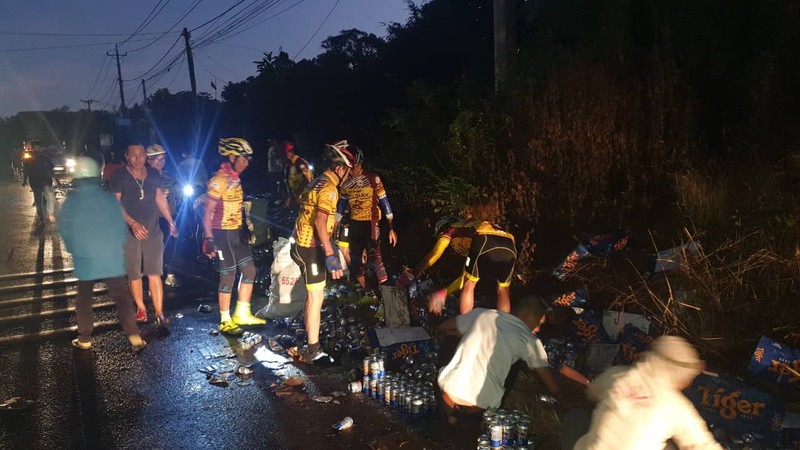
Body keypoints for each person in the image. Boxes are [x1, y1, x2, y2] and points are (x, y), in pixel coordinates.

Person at [57, 157, 147, 352]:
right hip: (110, 256)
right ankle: (134, 336)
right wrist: (117, 246)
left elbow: (64, 228)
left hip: (85, 257)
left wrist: (74, 248)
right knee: (122, 297)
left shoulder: (71, 202)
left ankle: (85, 338)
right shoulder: (108, 199)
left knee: (84, 298)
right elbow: (120, 226)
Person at [573, 336, 722, 450]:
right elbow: (702, 445)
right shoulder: (676, 406)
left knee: (576, 418)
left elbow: (591, 393)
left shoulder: (617, 374)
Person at [436, 294, 559, 418]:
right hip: (480, 409)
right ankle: (465, 416)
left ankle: (450, 414)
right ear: (526, 315)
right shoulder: (529, 340)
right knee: (515, 363)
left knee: (451, 338)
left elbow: (443, 327)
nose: (538, 328)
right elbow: (552, 385)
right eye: (539, 322)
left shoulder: (482, 314)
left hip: (447, 395)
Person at [290, 140, 356, 363]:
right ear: (340, 168)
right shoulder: (329, 189)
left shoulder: (316, 182)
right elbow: (320, 223)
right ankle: (313, 348)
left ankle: (310, 342)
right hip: (311, 248)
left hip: (301, 244)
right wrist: (331, 255)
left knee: (313, 295)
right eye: (347, 173)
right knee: (317, 296)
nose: (347, 178)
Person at [202, 138, 265, 336]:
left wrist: (244, 226)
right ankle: (225, 319)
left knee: (249, 270)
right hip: (221, 234)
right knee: (228, 275)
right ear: (232, 157)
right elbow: (207, 212)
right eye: (244, 158)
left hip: (236, 232)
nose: (247, 163)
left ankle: (242, 313)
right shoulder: (218, 180)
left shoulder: (235, 179)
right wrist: (208, 239)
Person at [110, 143, 178, 326]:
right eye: (133, 155)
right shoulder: (119, 176)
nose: (138, 158)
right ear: (127, 156)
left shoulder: (154, 175)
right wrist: (132, 223)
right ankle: (141, 308)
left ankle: (159, 312)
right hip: (129, 231)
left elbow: (160, 198)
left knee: (154, 272)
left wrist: (171, 222)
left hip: (153, 230)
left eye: (141, 154)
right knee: (135, 273)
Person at [414, 207, 516, 315]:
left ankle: (467, 325)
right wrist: (443, 293)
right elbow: (462, 279)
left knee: (470, 284)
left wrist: (414, 273)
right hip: (510, 244)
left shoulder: (451, 229)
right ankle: (505, 326)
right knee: (503, 289)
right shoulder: (471, 229)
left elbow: (434, 254)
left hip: (484, 239)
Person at [334, 145, 397, 289]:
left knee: (375, 257)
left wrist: (391, 227)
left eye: (352, 166)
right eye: (348, 166)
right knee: (355, 258)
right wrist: (336, 223)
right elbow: (342, 204)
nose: (350, 169)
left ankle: (386, 292)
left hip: (371, 221)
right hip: (355, 223)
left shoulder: (373, 178)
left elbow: (384, 201)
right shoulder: (346, 183)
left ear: (358, 163)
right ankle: (367, 289)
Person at [146, 144, 180, 288]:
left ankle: (170, 274)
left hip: (169, 215)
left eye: (163, 159)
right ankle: (153, 281)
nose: (161, 162)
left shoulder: (168, 175)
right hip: (153, 218)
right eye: (157, 160)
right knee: (154, 249)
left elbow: (176, 188)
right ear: (149, 161)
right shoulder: (144, 176)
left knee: (170, 246)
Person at [22, 140, 56, 225]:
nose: (37, 148)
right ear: (33, 147)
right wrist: (24, 180)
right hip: (36, 182)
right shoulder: (30, 158)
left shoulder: (44, 157)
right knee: (39, 201)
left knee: (48, 199)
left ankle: (46, 215)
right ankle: (42, 218)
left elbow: (51, 169)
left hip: (44, 182)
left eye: (38, 146)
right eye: (36, 147)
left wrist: (55, 178)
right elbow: (26, 170)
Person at [283, 141, 314, 208]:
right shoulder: (292, 164)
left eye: (287, 151)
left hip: (301, 196)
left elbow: (308, 179)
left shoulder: (299, 162)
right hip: (297, 195)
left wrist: (300, 195)